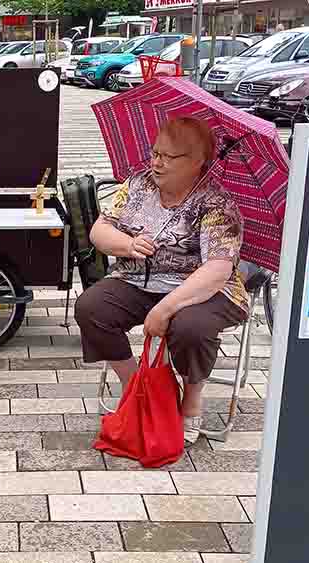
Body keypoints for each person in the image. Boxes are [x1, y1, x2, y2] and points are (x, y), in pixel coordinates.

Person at [75, 117, 249, 445]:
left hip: (204, 289)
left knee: (190, 327)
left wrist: (165, 309)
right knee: (91, 307)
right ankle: (136, 387)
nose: (156, 162)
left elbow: (217, 270)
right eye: (155, 152)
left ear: (198, 162)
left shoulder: (217, 202)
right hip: (138, 279)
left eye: (169, 156)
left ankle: (191, 400)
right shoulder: (138, 186)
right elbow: (99, 231)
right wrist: (127, 245)